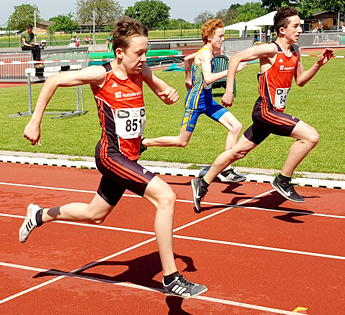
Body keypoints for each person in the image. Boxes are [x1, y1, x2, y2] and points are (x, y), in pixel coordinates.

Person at [20, 17, 207, 299]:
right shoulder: (100, 75)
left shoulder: (140, 71)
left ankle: (39, 214)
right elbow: (55, 80)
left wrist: (168, 93)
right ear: (120, 53)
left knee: (95, 214)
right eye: (139, 53)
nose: (144, 59)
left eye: (146, 52)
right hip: (111, 155)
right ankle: (171, 278)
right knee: (166, 197)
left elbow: (161, 90)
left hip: (131, 155)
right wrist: (35, 121)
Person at [191, 7, 334, 212]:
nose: (300, 29)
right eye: (296, 25)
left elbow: (300, 81)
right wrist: (229, 90)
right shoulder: (270, 50)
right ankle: (283, 180)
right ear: (282, 30)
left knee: (236, 152)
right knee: (311, 136)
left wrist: (318, 64)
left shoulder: (295, 51)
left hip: (275, 114)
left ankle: (202, 183)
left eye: (300, 25)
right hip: (265, 111)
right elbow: (235, 58)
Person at [141, 19, 246, 183]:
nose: (223, 39)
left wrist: (187, 78)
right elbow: (209, 78)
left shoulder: (206, 51)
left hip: (208, 102)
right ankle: (145, 142)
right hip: (195, 103)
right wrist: (231, 70)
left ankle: (226, 170)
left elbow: (187, 60)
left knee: (236, 126)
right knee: (182, 142)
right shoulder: (205, 53)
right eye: (221, 36)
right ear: (210, 37)